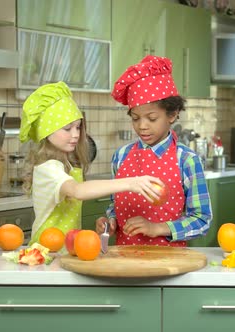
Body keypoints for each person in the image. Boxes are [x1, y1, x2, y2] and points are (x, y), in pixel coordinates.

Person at [19, 81, 165, 245]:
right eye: (67, 129)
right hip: (47, 251)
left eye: (78, 127)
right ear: (46, 132)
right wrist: (131, 183)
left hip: (65, 250)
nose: (75, 134)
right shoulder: (48, 168)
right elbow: (78, 190)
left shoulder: (66, 164)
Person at [95, 55, 212, 247]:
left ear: (172, 115)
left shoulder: (186, 160)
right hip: (123, 260)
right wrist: (110, 222)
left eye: (151, 118)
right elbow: (114, 206)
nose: (142, 126)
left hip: (170, 262)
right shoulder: (121, 156)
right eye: (135, 118)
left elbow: (202, 220)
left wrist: (157, 228)